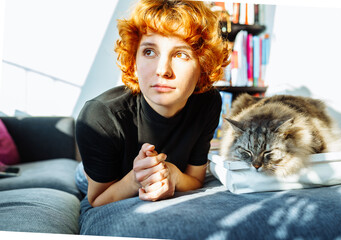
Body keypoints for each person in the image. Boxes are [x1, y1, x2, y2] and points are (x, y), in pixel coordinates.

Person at [75, 0, 230, 207]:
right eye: (149, 51)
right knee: (80, 172)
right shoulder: (99, 115)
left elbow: (195, 179)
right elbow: (97, 199)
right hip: (99, 176)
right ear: (134, 59)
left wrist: (173, 174)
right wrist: (136, 178)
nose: (162, 70)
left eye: (180, 54)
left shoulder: (208, 102)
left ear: (203, 65)